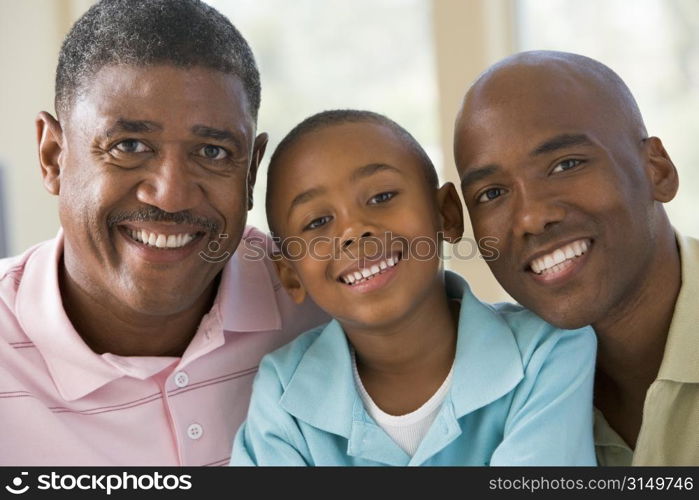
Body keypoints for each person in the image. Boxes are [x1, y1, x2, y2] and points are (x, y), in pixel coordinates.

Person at [0, 0, 326, 466]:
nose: (171, 196)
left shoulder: (325, 302)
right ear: (53, 156)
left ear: (251, 173)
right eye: (129, 146)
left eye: (212, 152)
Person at [230, 109, 597, 466]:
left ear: (446, 215)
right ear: (290, 274)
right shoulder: (282, 393)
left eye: (381, 197)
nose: (354, 231)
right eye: (318, 221)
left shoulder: (547, 351)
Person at [453, 50, 698, 466]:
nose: (531, 217)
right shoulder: (485, 396)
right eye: (492, 193)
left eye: (565, 165)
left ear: (656, 170)